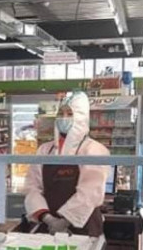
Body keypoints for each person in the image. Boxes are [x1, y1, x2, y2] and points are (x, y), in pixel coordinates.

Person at [23, 91, 110, 237]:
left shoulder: (94, 150)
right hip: (49, 227)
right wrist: (49, 220)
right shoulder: (45, 150)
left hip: (83, 227)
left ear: (81, 117)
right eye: (61, 113)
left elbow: (89, 193)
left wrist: (65, 221)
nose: (64, 118)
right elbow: (32, 188)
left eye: (70, 114)